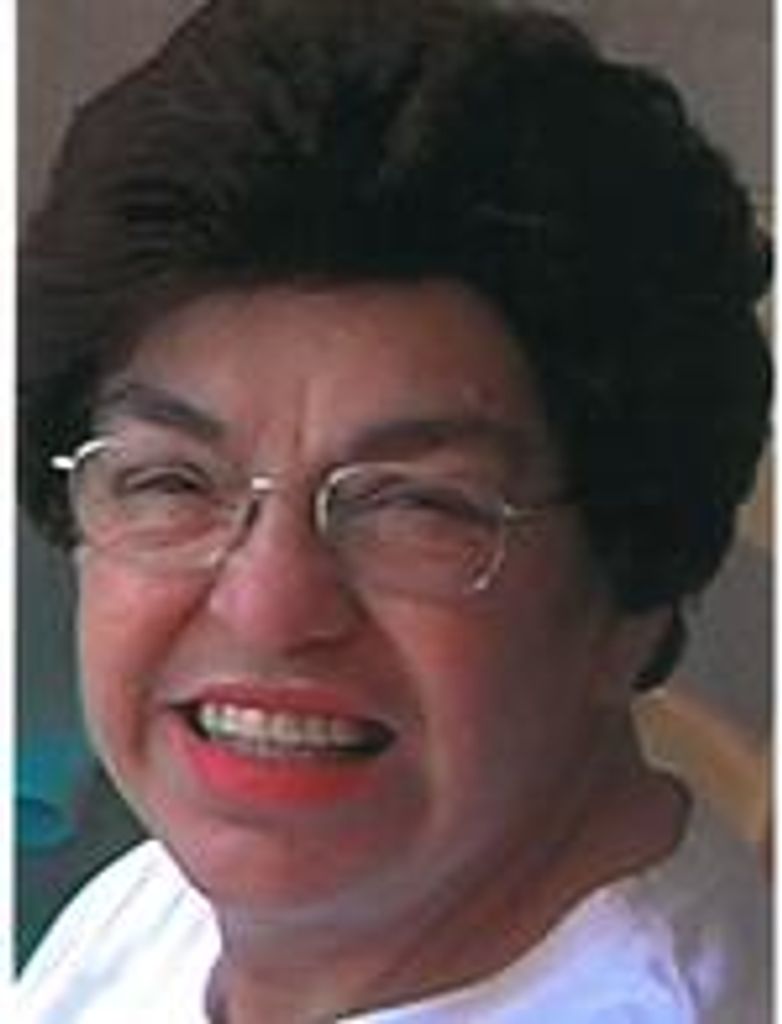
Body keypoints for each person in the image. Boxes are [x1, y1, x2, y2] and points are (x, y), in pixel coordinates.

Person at [15, 0, 771, 1021]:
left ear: (632, 586)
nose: (268, 607)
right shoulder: (161, 907)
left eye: (414, 506)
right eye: (173, 482)